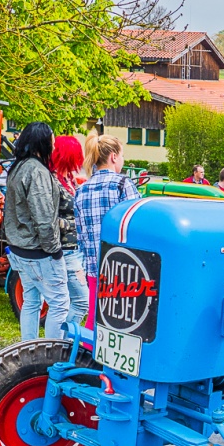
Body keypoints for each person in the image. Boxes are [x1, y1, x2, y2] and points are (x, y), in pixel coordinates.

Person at [3, 122, 70, 340]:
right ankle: (51, 353)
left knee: (31, 301)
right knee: (59, 303)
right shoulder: (37, 171)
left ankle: (28, 348)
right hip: (38, 250)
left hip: (19, 248)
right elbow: (43, 215)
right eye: (52, 139)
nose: (54, 143)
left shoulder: (18, 167)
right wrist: (54, 250)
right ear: (43, 142)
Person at [75, 133, 141, 335]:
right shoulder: (122, 184)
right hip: (123, 267)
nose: (122, 161)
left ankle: (88, 355)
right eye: (121, 156)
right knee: (123, 320)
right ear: (113, 157)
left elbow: (80, 234)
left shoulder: (81, 189)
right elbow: (137, 225)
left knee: (96, 316)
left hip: (94, 267)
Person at [49, 135, 90, 328]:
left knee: (72, 301)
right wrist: (76, 224)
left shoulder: (69, 179)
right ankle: (63, 342)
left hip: (75, 247)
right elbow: (49, 219)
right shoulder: (53, 182)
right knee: (82, 302)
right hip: (66, 249)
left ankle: (64, 341)